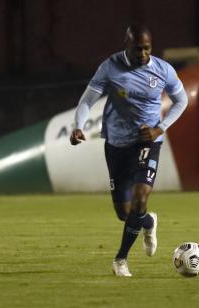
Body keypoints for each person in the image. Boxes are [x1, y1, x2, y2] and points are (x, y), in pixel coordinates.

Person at [69, 24, 188, 276]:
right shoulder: (110, 67)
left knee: (140, 196)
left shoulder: (163, 69)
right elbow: (86, 101)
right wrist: (78, 126)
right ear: (126, 45)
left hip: (147, 141)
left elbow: (182, 100)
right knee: (125, 213)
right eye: (138, 49)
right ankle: (148, 221)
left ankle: (120, 260)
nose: (143, 54)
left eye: (147, 48)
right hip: (116, 144)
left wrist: (160, 128)